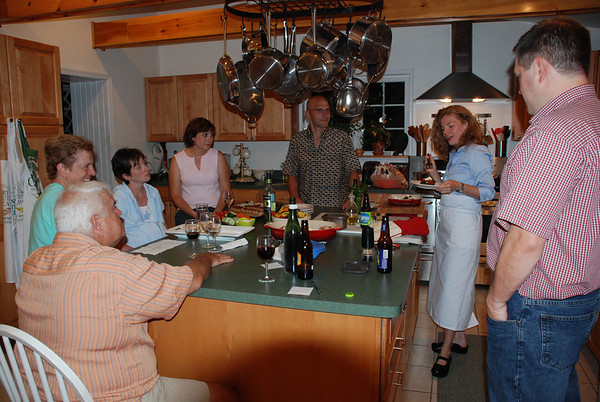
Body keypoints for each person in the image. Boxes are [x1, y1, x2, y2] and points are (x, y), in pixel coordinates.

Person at [16, 181, 238, 401]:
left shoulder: (33, 262)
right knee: (227, 395)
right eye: (113, 207)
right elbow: (187, 280)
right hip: (112, 396)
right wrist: (205, 258)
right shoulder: (116, 268)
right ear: (97, 223)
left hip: (43, 393)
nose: (119, 211)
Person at [486, 16, 600, 401]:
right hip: (580, 299)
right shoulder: (593, 117)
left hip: (536, 306)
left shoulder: (555, 130)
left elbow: (526, 239)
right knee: (556, 387)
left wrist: (496, 299)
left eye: (519, 78)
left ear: (539, 67)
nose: (519, 91)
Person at [425, 105, 495, 377]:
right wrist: (436, 177)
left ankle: (446, 352)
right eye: (443, 127)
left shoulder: (478, 151)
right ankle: (460, 339)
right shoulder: (458, 153)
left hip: (464, 227)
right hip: (449, 224)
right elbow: (451, 189)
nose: (446, 131)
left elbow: (487, 191)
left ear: (466, 124)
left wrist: (456, 185)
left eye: (451, 125)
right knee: (447, 281)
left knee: (455, 285)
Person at [282, 95, 361, 207]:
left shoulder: (342, 138)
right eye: (319, 110)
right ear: (308, 114)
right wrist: (295, 198)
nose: (325, 115)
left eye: (327, 110)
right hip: (307, 208)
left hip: (337, 207)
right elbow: (292, 173)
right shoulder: (297, 141)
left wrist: (352, 197)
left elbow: (353, 171)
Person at [28, 134, 96, 254]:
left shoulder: (52, 194)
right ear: (63, 169)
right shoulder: (60, 200)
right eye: (86, 166)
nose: (93, 172)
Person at [169, 117, 231, 225]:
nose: (210, 139)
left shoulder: (218, 156)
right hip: (187, 213)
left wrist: (215, 214)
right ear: (193, 137)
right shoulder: (177, 159)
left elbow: (226, 191)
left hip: (214, 211)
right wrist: (195, 215)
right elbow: (176, 195)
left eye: (211, 135)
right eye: (205, 135)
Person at [112, 147, 166, 249]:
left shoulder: (153, 192)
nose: (146, 168)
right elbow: (117, 241)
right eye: (139, 167)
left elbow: (163, 223)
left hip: (161, 246)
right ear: (126, 176)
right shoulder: (119, 197)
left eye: (144, 164)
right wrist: (137, 256)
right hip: (136, 252)